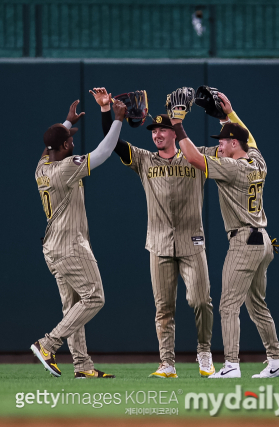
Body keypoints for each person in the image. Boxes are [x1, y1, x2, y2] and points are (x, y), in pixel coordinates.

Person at [90, 87, 217, 378]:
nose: (156, 135)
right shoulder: (145, 160)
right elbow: (113, 143)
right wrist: (105, 110)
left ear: (174, 132)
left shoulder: (196, 158)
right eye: (153, 131)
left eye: (162, 130)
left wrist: (224, 116)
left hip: (192, 242)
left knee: (201, 301)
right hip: (158, 243)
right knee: (164, 308)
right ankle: (167, 362)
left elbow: (232, 147)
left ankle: (204, 351)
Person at [169, 92, 279, 379]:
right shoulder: (257, 162)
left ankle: (232, 364)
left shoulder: (233, 168)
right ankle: (276, 360)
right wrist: (228, 115)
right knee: (256, 304)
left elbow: (197, 160)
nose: (218, 145)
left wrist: (178, 126)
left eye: (222, 140)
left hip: (244, 241)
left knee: (227, 305)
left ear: (234, 144)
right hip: (262, 240)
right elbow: (252, 142)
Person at [31, 99, 127, 379]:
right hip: (70, 245)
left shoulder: (42, 167)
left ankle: (82, 365)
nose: (72, 143)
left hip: (52, 247)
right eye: (69, 140)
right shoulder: (65, 168)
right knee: (95, 297)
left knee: (73, 306)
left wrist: (67, 122)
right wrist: (117, 119)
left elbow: (52, 145)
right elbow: (104, 151)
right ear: (64, 148)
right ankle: (48, 344)